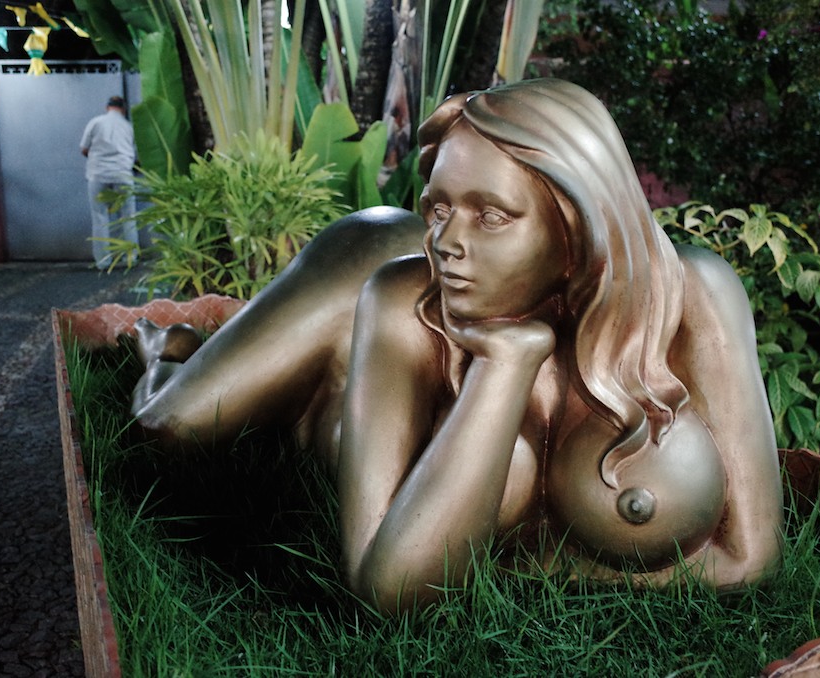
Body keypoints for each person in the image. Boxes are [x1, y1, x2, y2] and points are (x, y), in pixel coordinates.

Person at [131, 78, 784, 613]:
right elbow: (383, 587)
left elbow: (751, 558)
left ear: (578, 225)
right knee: (173, 427)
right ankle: (170, 352)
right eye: (439, 208)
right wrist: (506, 361)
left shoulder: (695, 294)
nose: (445, 242)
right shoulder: (400, 298)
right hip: (364, 266)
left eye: (490, 215)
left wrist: (516, 565)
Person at [80, 95, 139, 270]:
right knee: (128, 215)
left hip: (98, 174)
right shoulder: (129, 127)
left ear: (107, 107)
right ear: (124, 109)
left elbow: (84, 149)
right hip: (123, 174)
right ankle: (130, 258)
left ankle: (103, 261)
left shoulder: (95, 122)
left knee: (99, 216)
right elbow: (136, 152)